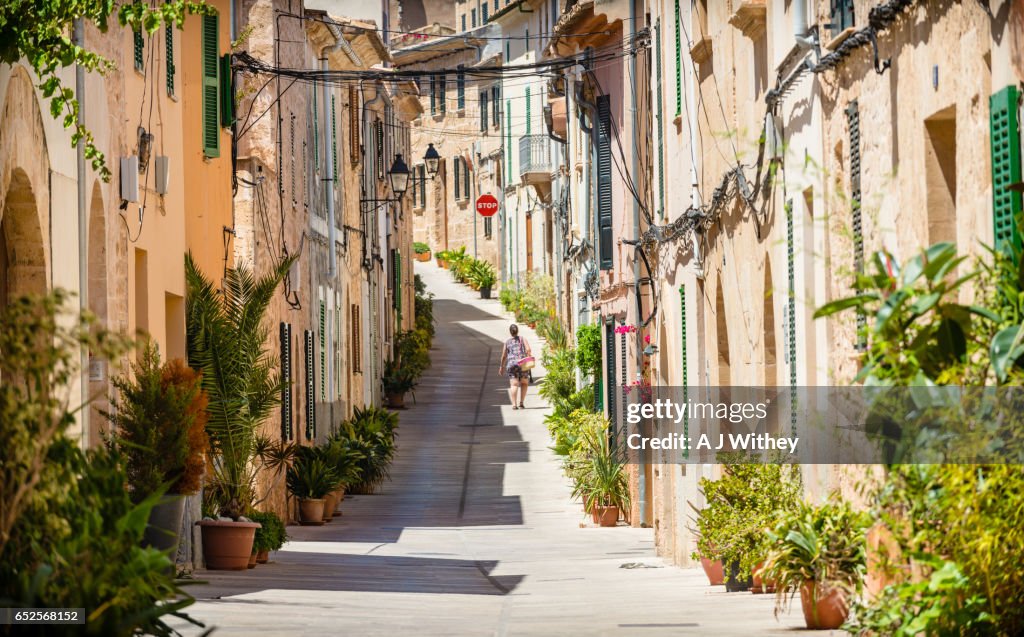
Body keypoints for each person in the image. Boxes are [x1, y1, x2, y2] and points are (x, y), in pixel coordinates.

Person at [498, 324, 532, 409]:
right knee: (524, 383)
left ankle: (514, 404)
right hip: (522, 363)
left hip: (512, 364)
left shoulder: (507, 341)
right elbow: (528, 350)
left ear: (510, 332)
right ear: (517, 331)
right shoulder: (522, 339)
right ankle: (521, 403)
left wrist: (501, 366)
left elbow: (504, 355)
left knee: (514, 385)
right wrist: (528, 357)